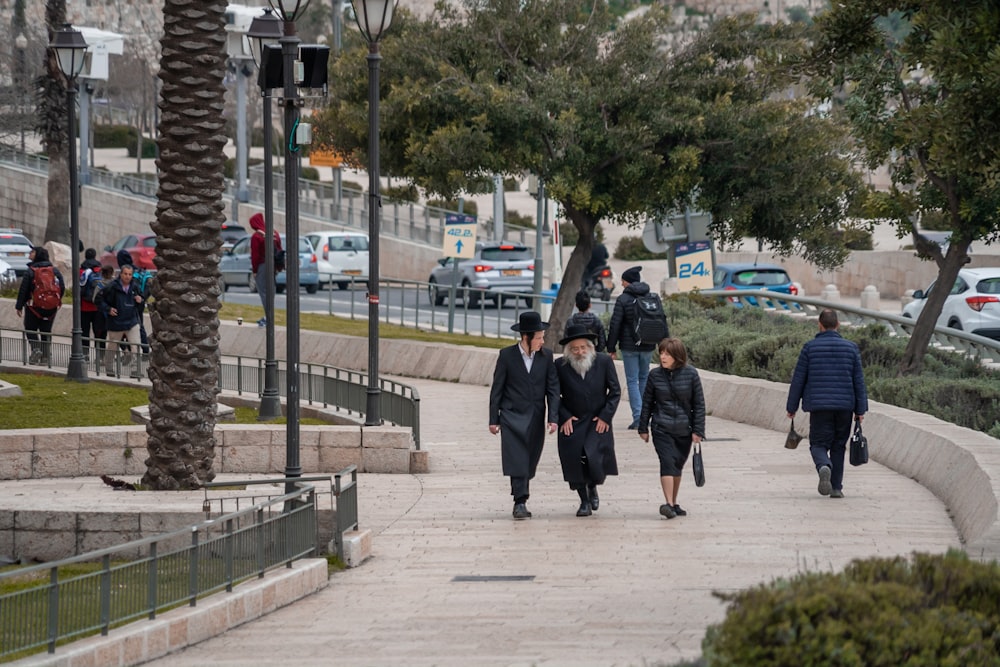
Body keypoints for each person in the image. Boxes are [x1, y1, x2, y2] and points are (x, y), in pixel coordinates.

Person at [786, 309, 868, 499]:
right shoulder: (851, 348)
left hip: (819, 406)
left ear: (820, 325)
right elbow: (859, 381)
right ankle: (836, 488)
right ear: (838, 325)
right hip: (845, 407)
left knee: (818, 444)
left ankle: (823, 465)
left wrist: (792, 407)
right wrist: (860, 409)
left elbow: (798, 380)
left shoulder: (810, 348)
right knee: (839, 445)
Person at [488, 311, 560, 520]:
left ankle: (520, 490)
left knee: (529, 460)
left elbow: (553, 390)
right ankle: (520, 501)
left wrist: (553, 418)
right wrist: (494, 419)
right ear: (526, 337)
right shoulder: (507, 356)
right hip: (511, 415)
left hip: (536, 416)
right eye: (539, 337)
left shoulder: (546, 358)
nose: (542, 341)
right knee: (516, 457)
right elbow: (497, 389)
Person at [555, 324, 621, 517]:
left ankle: (593, 487)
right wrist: (564, 417)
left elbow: (615, 391)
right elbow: (553, 395)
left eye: (583, 347)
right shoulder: (560, 366)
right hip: (572, 421)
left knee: (596, 461)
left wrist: (605, 416)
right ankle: (583, 500)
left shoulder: (603, 362)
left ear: (590, 348)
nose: (579, 352)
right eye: (575, 349)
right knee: (573, 460)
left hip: (596, 419)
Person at [638, 337, 705, 519]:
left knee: (677, 466)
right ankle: (667, 503)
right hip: (662, 427)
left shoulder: (691, 374)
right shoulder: (655, 375)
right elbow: (647, 403)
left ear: (677, 356)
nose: (663, 357)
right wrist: (643, 427)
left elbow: (699, 404)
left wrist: (698, 431)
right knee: (667, 463)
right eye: (661, 353)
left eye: (667, 354)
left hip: (684, 429)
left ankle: (674, 503)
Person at [606, 265, 666, 429]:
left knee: (632, 381)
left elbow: (615, 324)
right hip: (648, 344)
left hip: (629, 346)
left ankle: (639, 417)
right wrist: (664, 343)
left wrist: (611, 348)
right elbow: (662, 319)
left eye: (623, 281)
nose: (622, 284)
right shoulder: (652, 297)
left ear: (628, 282)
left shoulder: (623, 299)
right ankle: (647, 416)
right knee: (644, 378)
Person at [14, 246, 65, 364]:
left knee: (30, 328)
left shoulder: (31, 271)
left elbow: (24, 289)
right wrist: (55, 300)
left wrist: (19, 306)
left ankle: (36, 349)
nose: (30, 254)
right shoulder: (54, 270)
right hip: (51, 307)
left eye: (32, 252)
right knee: (46, 331)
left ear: (37, 255)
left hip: (34, 307)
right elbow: (61, 287)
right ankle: (46, 356)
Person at [100, 264, 144, 377]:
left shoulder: (135, 287)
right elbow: (99, 299)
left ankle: (135, 370)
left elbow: (142, 301)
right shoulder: (112, 287)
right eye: (125, 274)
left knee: (136, 345)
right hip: (116, 322)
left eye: (130, 274)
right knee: (112, 347)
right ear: (121, 274)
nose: (127, 276)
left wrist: (140, 300)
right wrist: (108, 309)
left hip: (132, 321)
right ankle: (109, 368)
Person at [250, 212, 282, 327]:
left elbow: (255, 256)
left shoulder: (256, 237)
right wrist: (278, 266)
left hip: (262, 266)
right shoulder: (275, 234)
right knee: (271, 290)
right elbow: (279, 250)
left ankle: (268, 317)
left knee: (263, 291)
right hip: (273, 265)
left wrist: (254, 270)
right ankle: (269, 316)